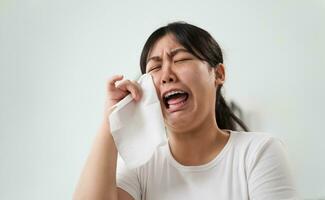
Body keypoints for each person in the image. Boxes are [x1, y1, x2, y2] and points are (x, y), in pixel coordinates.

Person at [73, 22, 300, 200]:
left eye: (180, 59)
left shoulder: (258, 153)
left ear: (218, 74)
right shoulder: (140, 165)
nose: (166, 75)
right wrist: (111, 121)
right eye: (154, 67)